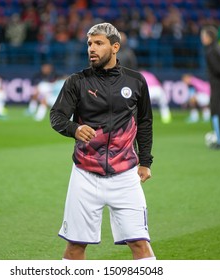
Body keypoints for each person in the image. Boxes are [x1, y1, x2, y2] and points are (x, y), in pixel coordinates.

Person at [50, 23, 156, 260]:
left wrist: (146, 161)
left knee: (140, 243)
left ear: (115, 47)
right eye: (89, 44)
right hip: (85, 175)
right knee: (75, 246)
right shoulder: (77, 81)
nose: (92, 49)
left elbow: (145, 122)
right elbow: (56, 116)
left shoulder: (136, 81)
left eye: (99, 43)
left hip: (125, 176)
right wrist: (74, 129)